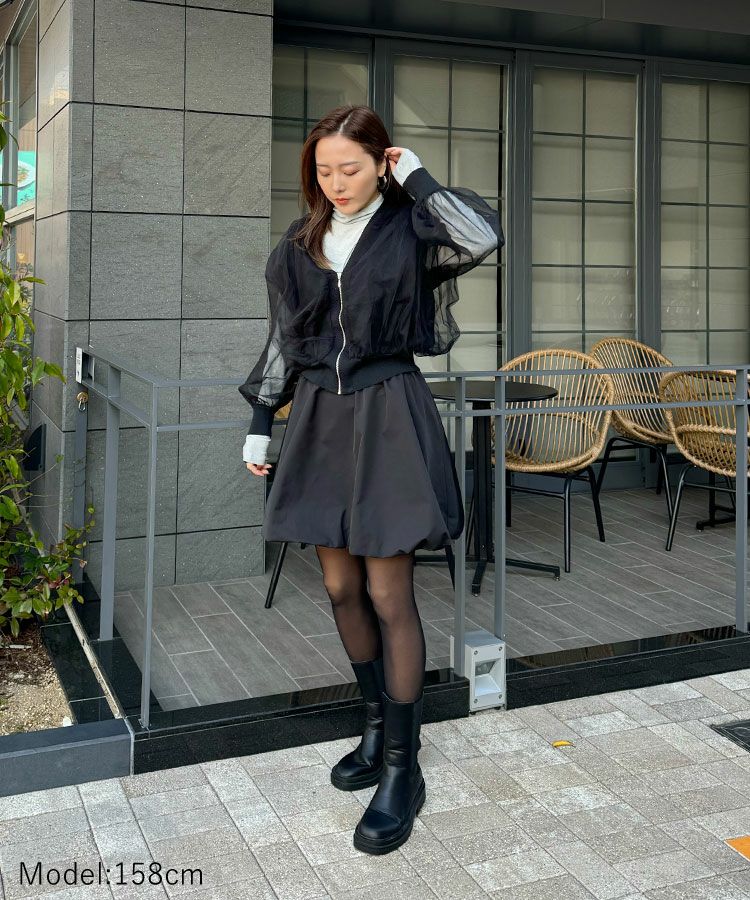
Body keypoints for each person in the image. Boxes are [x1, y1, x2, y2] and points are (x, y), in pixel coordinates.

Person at [240, 104, 503, 855]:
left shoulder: (412, 228)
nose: (336, 182)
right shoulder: (302, 242)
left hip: (389, 411)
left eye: (350, 168)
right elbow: (286, 339)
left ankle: (401, 768)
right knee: (338, 586)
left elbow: (480, 237)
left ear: (380, 163)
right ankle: (375, 725)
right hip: (321, 419)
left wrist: (416, 179)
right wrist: (260, 420)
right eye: (323, 170)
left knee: (389, 592)